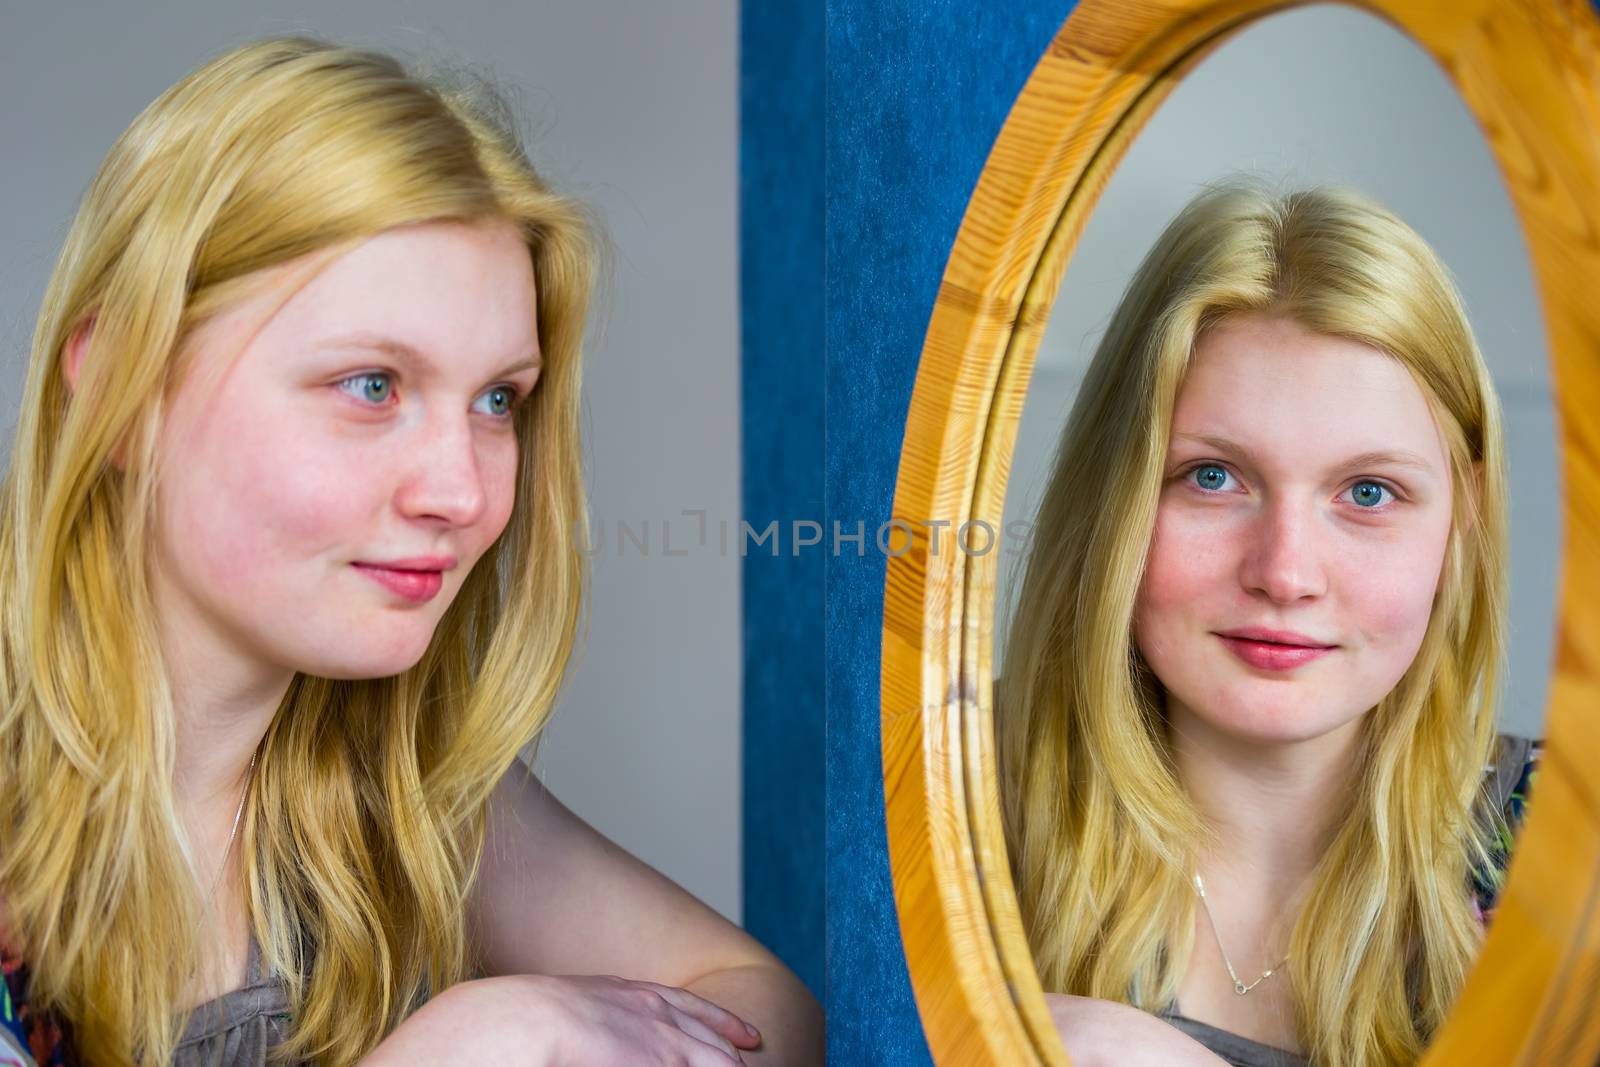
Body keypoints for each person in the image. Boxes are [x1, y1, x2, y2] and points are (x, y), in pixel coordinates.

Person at [0, 36, 821, 1067]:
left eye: (496, 401)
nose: (465, 492)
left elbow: (762, 1006)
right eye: (372, 385)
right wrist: (478, 1038)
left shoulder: (398, 784)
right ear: (123, 391)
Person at [995, 180, 1541, 1067]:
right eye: (1213, 477)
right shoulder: (934, 797)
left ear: (1463, 518)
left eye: (1369, 493)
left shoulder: (1567, 852)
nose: (1285, 573)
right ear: (1114, 492)